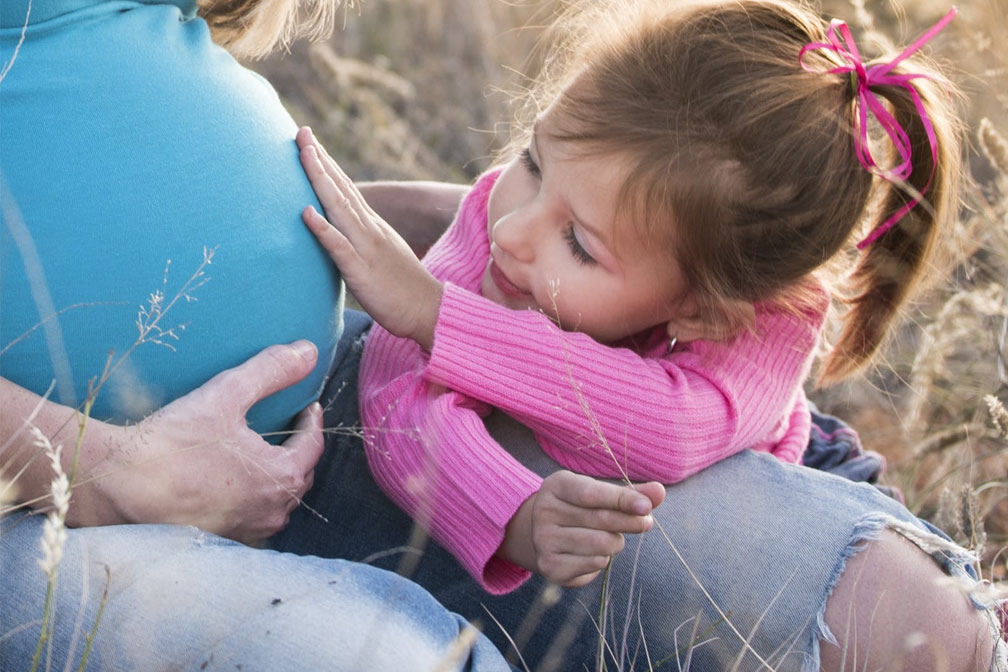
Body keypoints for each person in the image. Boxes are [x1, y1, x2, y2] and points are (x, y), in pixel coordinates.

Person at [0, 0, 1003, 670]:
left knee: (912, 626)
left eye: (577, 238)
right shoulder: (521, 235)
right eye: (528, 164)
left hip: (362, 426)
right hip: (63, 504)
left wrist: (426, 298)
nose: (512, 227)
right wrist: (101, 465)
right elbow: (401, 386)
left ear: (705, 309)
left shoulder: (755, 318)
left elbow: (664, 426)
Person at [0, 0, 518, 667]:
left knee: (639, 561)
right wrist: (107, 472)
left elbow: (89, 132)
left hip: (314, 414)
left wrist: (355, 219)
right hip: (43, 504)